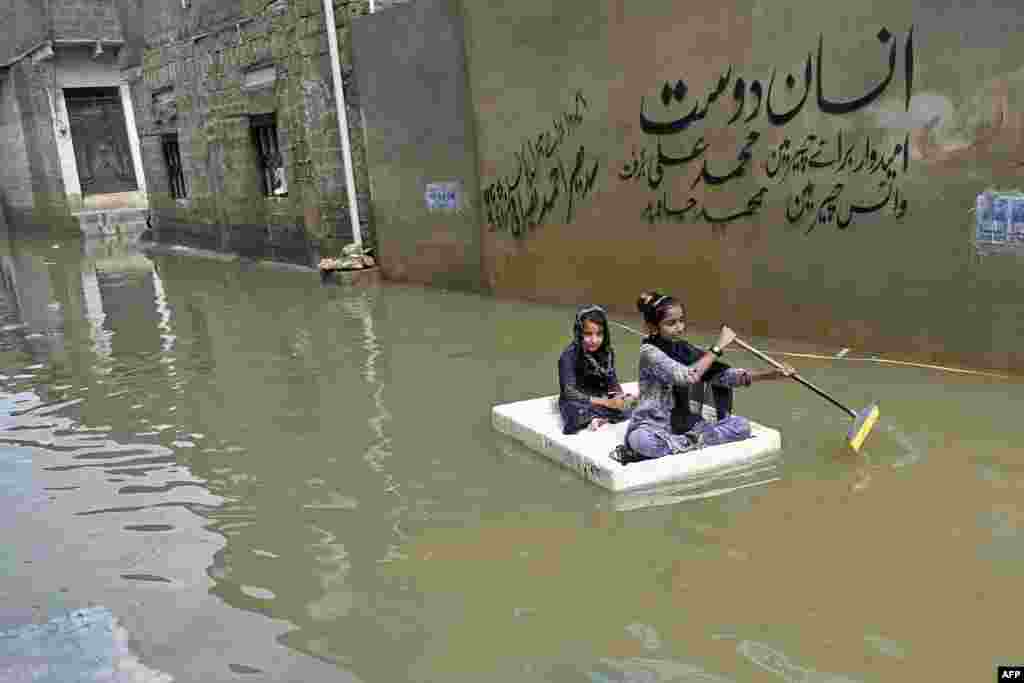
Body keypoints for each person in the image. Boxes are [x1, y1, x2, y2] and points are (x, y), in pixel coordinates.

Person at [621, 291, 794, 460]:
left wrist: (772, 374)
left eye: (681, 321)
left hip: (685, 424)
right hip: (654, 426)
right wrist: (718, 347)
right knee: (641, 441)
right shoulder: (649, 352)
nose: (680, 328)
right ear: (653, 327)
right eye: (671, 323)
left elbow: (723, 377)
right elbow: (687, 377)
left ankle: (686, 442)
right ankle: (694, 441)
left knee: (742, 426)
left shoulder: (683, 348)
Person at [558, 304, 635, 434]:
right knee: (574, 414)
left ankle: (599, 418)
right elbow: (568, 392)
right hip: (579, 400)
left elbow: (612, 381)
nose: (594, 340)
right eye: (588, 334)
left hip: (600, 396)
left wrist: (619, 397)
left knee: (628, 406)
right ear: (578, 333)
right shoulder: (569, 355)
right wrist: (606, 403)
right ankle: (597, 416)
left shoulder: (607, 352)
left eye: (599, 334)